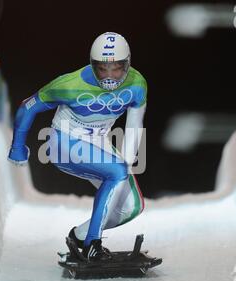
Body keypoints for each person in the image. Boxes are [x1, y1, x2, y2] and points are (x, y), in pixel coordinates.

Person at [8, 32, 147, 262]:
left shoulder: (138, 84)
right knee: (117, 172)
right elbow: (27, 107)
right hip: (64, 141)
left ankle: (79, 236)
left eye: (117, 68)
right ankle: (93, 243)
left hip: (99, 142)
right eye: (102, 69)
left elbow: (134, 125)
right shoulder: (69, 84)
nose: (110, 76)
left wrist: (127, 161)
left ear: (128, 63)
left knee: (132, 207)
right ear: (92, 65)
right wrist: (18, 148)